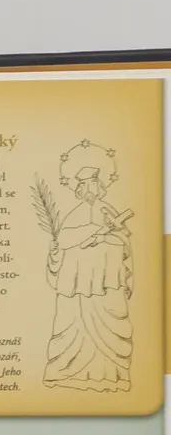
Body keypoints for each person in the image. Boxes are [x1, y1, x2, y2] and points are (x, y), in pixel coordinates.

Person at [42, 140, 135, 391]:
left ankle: (110, 375)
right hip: (77, 284)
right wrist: (63, 247)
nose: (88, 189)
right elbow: (63, 241)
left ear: (99, 185)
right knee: (73, 324)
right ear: (79, 188)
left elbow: (125, 243)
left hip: (105, 282)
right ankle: (67, 372)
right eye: (83, 185)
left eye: (92, 183)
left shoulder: (109, 211)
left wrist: (104, 237)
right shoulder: (73, 214)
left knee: (109, 324)